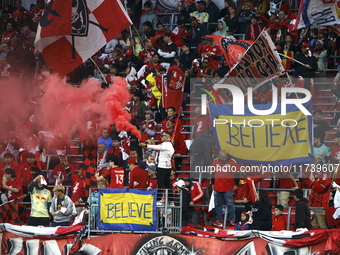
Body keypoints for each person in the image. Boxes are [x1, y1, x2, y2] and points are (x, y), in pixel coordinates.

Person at [212, 150, 239, 227]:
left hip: (228, 186)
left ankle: (232, 220)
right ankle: (218, 220)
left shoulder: (232, 162)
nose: (224, 159)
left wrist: (236, 184)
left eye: (225, 157)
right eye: (222, 157)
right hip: (217, 186)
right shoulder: (215, 162)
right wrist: (213, 184)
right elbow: (212, 174)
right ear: (219, 156)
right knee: (217, 203)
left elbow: (237, 174)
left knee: (230, 203)